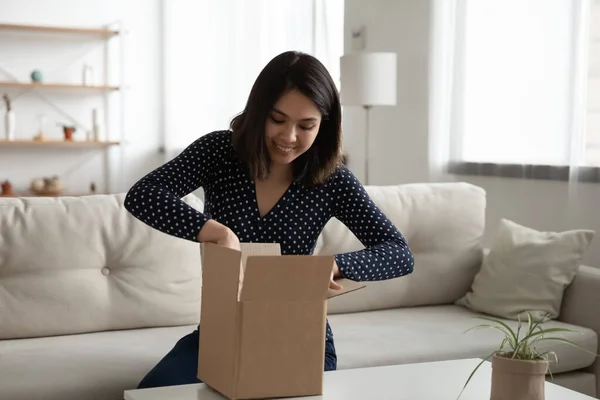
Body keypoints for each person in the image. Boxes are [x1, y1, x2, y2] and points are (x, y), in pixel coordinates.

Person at [124, 50, 414, 389]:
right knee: (153, 394)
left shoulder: (331, 178)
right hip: (222, 330)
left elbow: (399, 253)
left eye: (306, 126)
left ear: (324, 125)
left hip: (301, 334)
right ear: (259, 111)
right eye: (277, 120)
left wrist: (333, 265)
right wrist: (215, 232)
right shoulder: (219, 152)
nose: (289, 137)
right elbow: (143, 195)